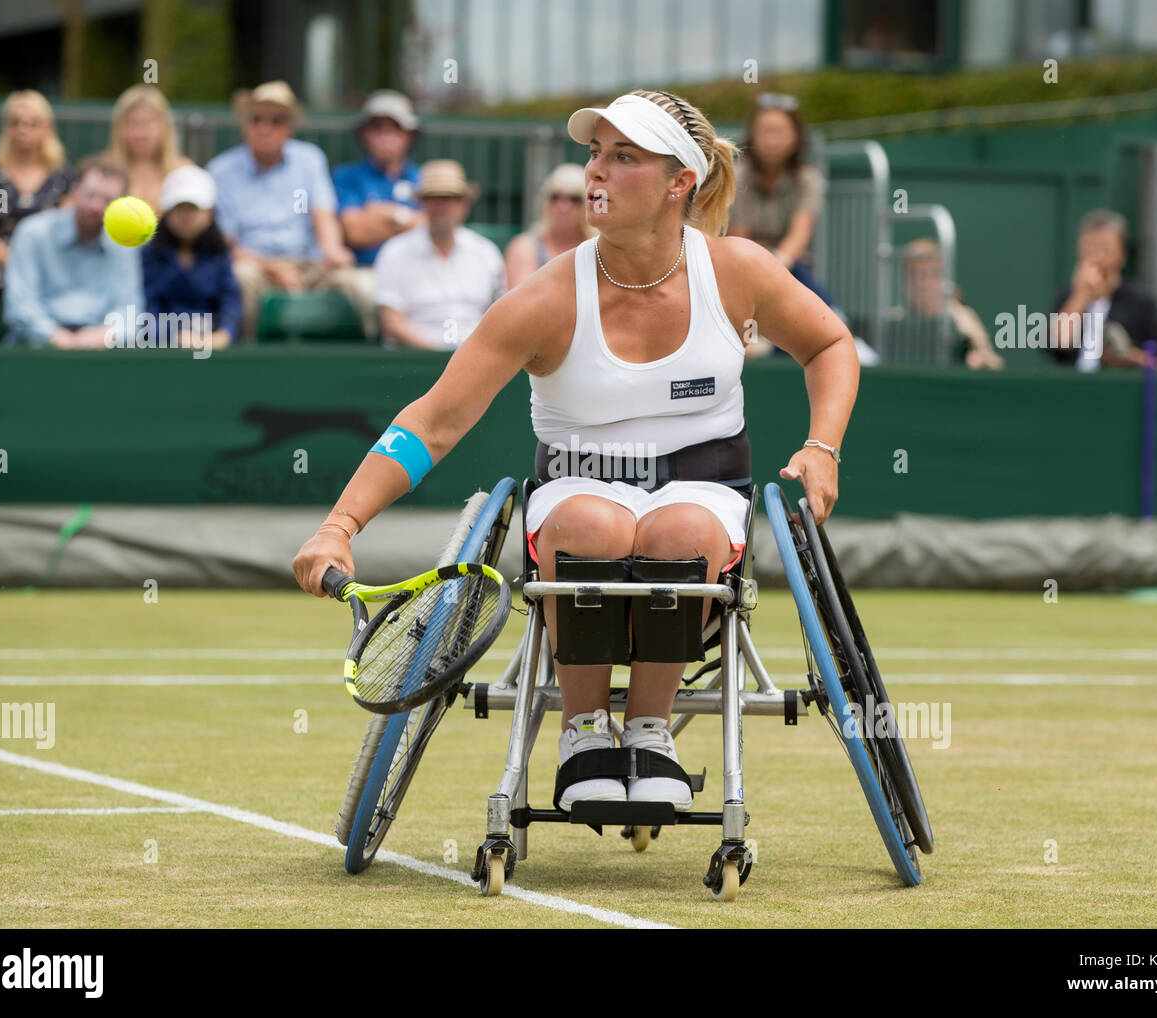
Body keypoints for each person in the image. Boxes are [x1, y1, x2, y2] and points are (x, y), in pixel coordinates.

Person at [293, 90, 857, 813]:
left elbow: (830, 342)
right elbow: (434, 421)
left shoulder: (736, 269)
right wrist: (340, 524)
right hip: (574, 494)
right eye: (594, 154)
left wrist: (822, 444)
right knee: (593, 527)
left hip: (705, 493)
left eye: (623, 157)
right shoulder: (546, 296)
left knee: (678, 531)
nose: (595, 172)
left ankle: (650, 731)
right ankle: (584, 729)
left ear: (678, 181)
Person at [205, 81, 361, 337]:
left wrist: (332, 251)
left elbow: (323, 215)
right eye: (256, 119)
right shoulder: (221, 171)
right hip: (254, 265)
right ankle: (249, 359)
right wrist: (273, 268)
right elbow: (228, 246)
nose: (264, 128)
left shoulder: (310, 159)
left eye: (275, 121)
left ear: (289, 127)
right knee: (240, 277)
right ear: (245, 125)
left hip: (310, 264)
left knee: (359, 285)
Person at [2, 157, 142, 349]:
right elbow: (21, 306)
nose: (96, 206)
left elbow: (130, 311)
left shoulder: (125, 243)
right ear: (75, 191)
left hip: (100, 348)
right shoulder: (33, 232)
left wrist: (102, 336)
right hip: (36, 348)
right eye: (90, 195)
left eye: (108, 200)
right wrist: (56, 337)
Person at [373, 160, 505, 350]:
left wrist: (469, 355)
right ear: (422, 204)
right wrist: (437, 353)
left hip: (475, 358)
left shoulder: (485, 252)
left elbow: (498, 314)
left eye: (450, 198)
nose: (441, 206)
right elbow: (391, 322)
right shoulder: (395, 252)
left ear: (464, 205)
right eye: (433, 197)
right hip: (413, 360)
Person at [0, 90, 74, 314]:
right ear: (6, 128)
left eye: (32, 123)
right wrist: (17, 262)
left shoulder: (63, 179)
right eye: (16, 122)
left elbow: (67, 230)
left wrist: (43, 266)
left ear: (46, 129)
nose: (23, 129)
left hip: (49, 263)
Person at [726, 92, 837, 310]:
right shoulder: (737, 176)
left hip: (787, 265)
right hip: (739, 263)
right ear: (752, 135)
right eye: (764, 131)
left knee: (825, 309)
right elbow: (739, 236)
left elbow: (800, 233)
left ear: (796, 137)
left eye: (779, 132)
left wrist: (779, 265)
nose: (771, 140)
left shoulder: (808, 178)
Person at [1049, 209, 1157, 371]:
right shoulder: (1067, 298)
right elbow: (1058, 344)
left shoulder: (1141, 303)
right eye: (1088, 248)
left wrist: (1128, 356)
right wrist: (1080, 295)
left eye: (1104, 248)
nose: (1095, 257)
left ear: (1122, 254)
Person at [141, 165, 241, 351]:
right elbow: (147, 309)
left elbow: (230, 302)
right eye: (179, 208)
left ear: (209, 213)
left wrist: (224, 334)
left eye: (193, 209)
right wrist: (173, 336)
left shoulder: (220, 254)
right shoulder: (150, 255)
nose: (186, 217)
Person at [333, 90, 424, 268]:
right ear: (365, 135)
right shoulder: (346, 176)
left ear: (409, 135)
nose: (385, 135)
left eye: (395, 128)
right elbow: (354, 231)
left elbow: (430, 229)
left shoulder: (424, 178)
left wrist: (389, 214)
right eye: (377, 127)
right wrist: (409, 221)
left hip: (416, 272)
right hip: (365, 271)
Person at [893, 238, 1003, 369]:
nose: (923, 283)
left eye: (933, 274)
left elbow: (994, 363)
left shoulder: (963, 320)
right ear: (905, 282)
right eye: (916, 275)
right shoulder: (894, 320)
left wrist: (980, 361)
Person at [100, 84, 193, 213]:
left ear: (164, 127)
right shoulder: (102, 170)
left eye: (148, 124)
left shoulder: (183, 170)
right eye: (132, 123)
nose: (140, 133)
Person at [504, 163, 596, 289]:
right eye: (555, 197)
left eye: (574, 199)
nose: (563, 207)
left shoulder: (598, 247)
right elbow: (523, 300)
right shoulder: (526, 247)